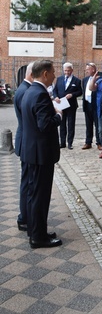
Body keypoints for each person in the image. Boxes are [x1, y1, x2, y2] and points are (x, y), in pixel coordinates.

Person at [21, 60, 63, 249]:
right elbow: (44, 125)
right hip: (41, 154)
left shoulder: (30, 91)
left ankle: (35, 229)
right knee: (40, 196)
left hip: (32, 152)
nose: (55, 75)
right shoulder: (40, 94)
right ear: (45, 74)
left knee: (33, 194)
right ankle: (38, 238)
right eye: (53, 72)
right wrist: (59, 116)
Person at [14, 61, 34, 231]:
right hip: (26, 141)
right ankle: (24, 217)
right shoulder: (24, 91)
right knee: (27, 183)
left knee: (27, 181)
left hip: (26, 140)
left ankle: (26, 216)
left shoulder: (24, 89)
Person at [53, 62, 82, 149]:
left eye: (68, 71)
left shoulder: (77, 81)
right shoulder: (59, 79)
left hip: (71, 105)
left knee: (71, 124)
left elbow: (80, 92)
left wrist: (72, 95)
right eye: (65, 70)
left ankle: (70, 143)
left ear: (72, 70)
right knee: (62, 124)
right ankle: (62, 142)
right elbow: (55, 90)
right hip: (61, 104)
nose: (67, 72)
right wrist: (56, 97)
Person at [81, 62, 101, 150]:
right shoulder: (84, 80)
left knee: (98, 125)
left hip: (96, 104)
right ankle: (88, 142)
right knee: (88, 125)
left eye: (88, 69)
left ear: (93, 69)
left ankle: (99, 142)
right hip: (87, 104)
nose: (86, 71)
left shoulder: (99, 79)